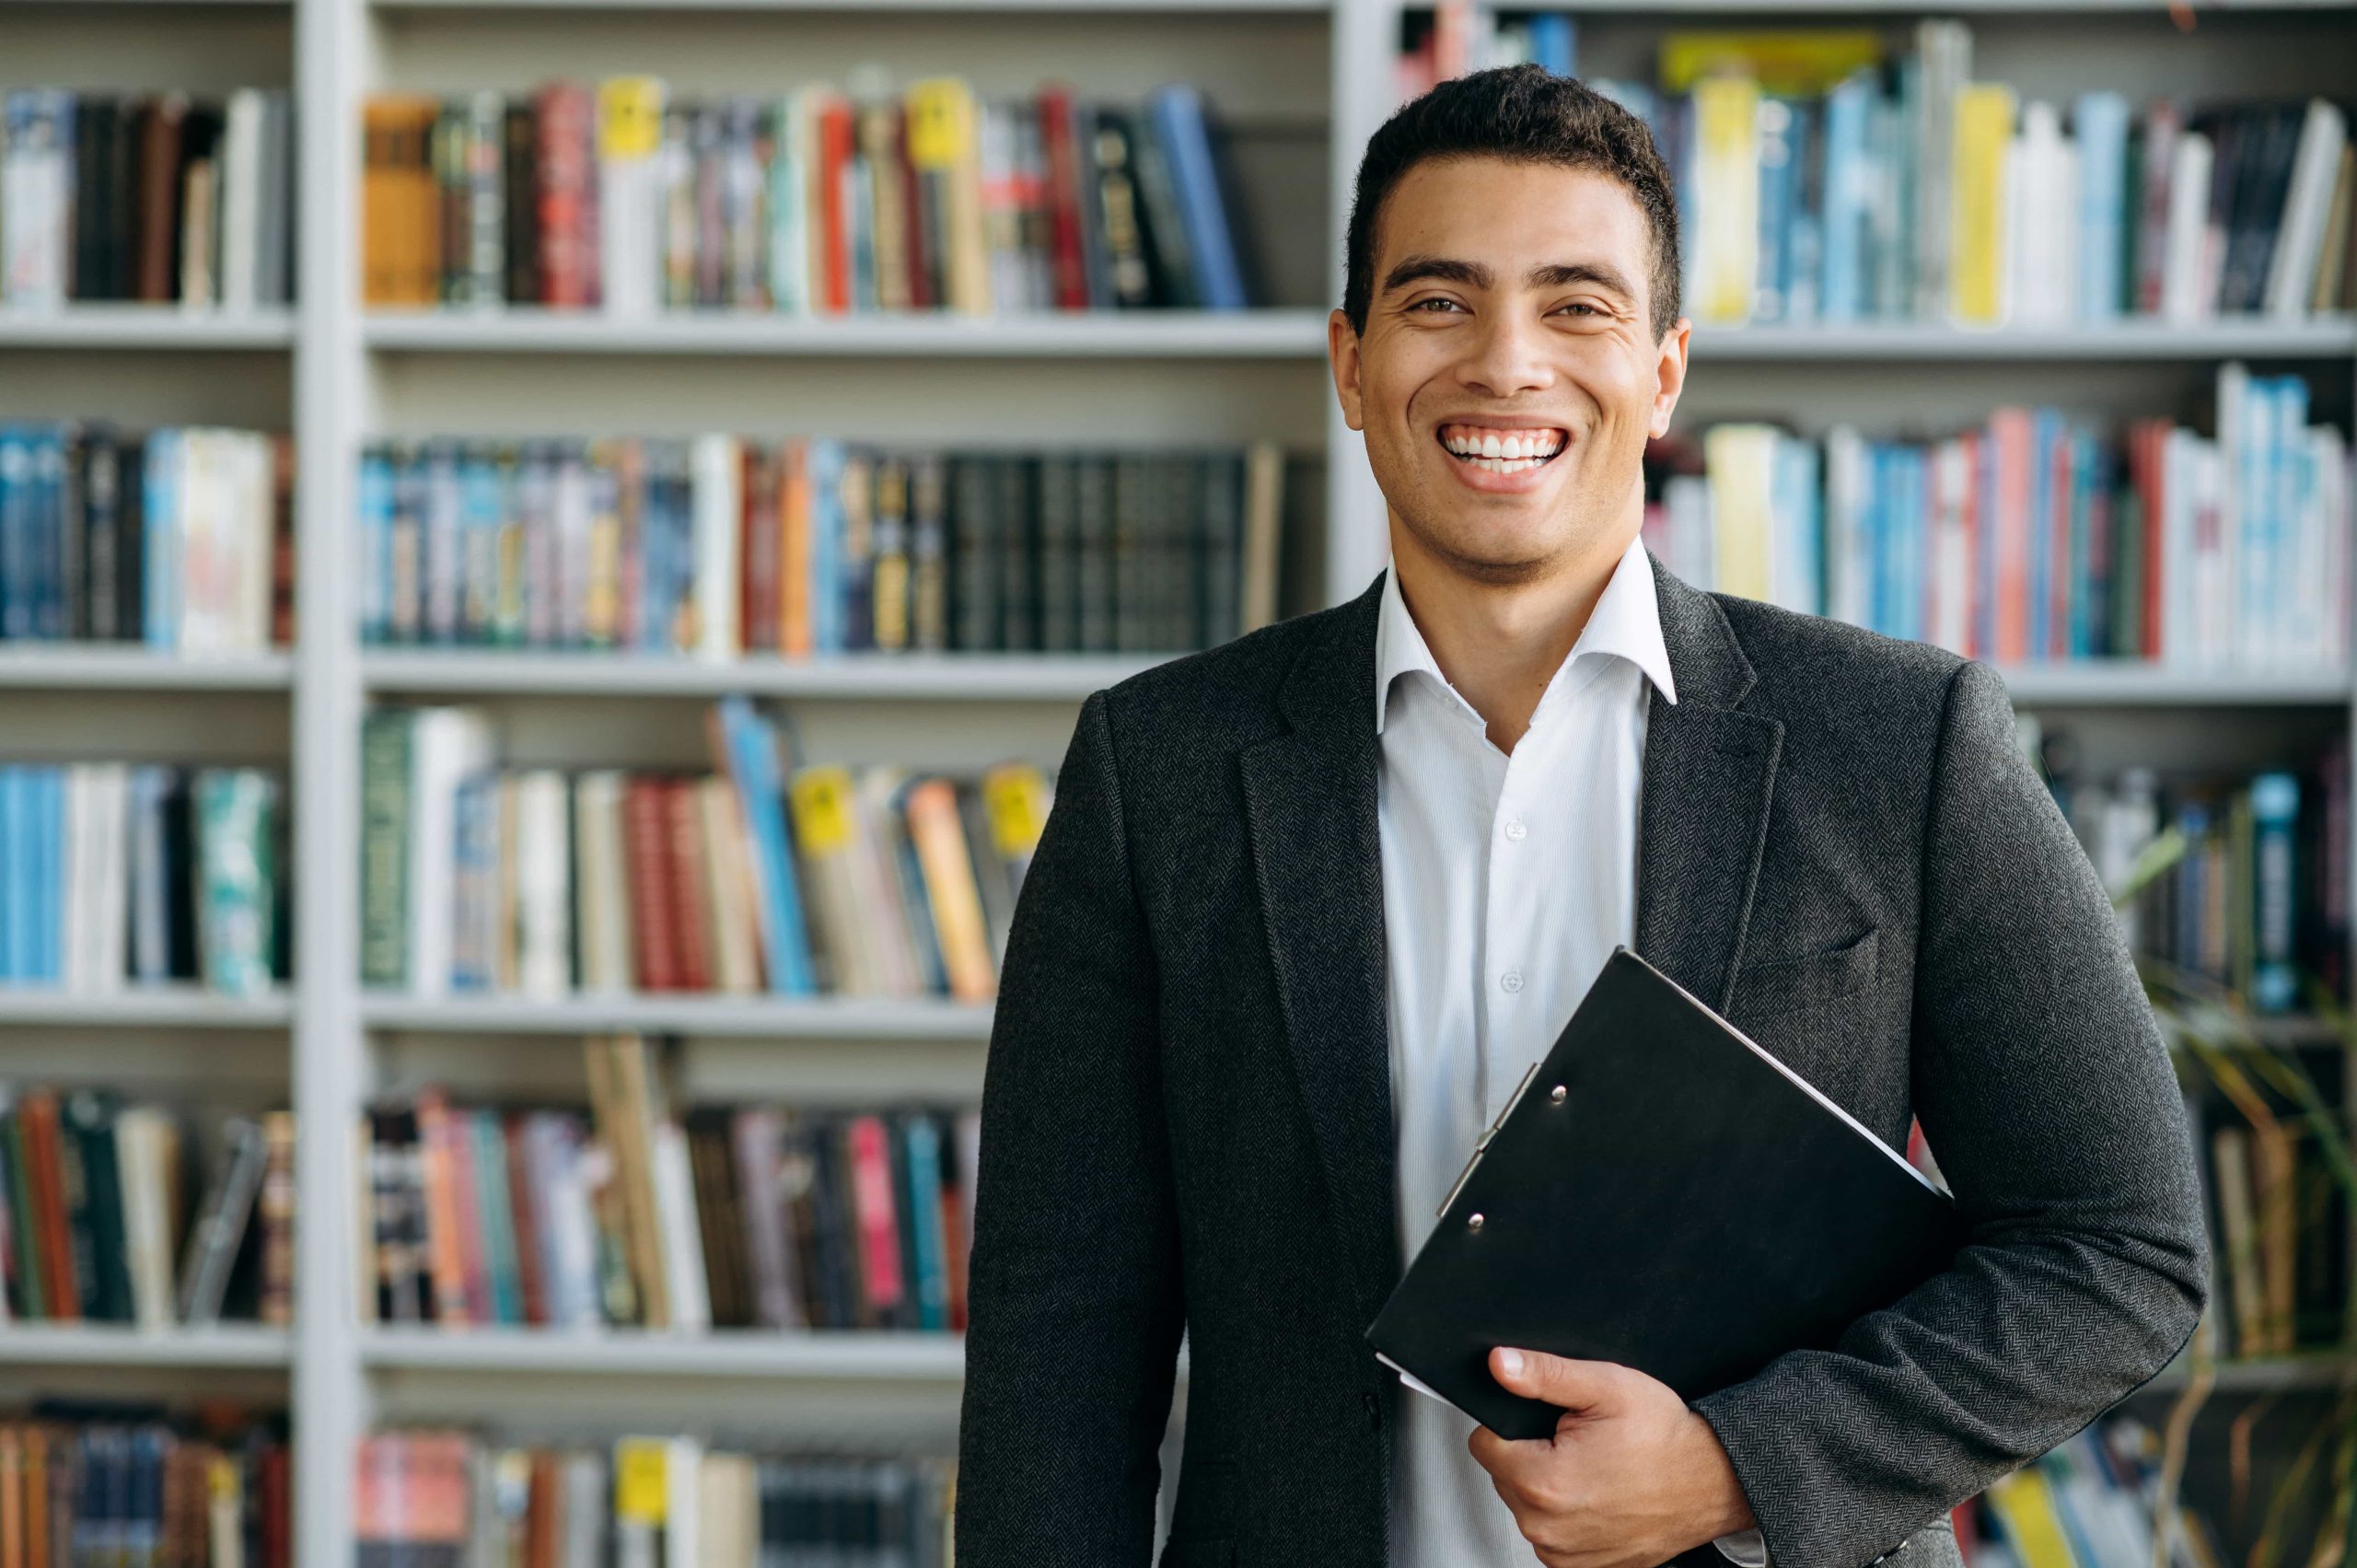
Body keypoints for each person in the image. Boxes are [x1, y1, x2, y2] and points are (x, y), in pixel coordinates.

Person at [954, 65, 2209, 1568]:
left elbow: (2118, 1246)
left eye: (1578, 305)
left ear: (1665, 369)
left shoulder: (1902, 741)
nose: (1506, 363)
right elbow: (1056, 1343)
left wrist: (1741, 1466)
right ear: (1349, 363)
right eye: (1438, 303)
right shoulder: (1155, 770)